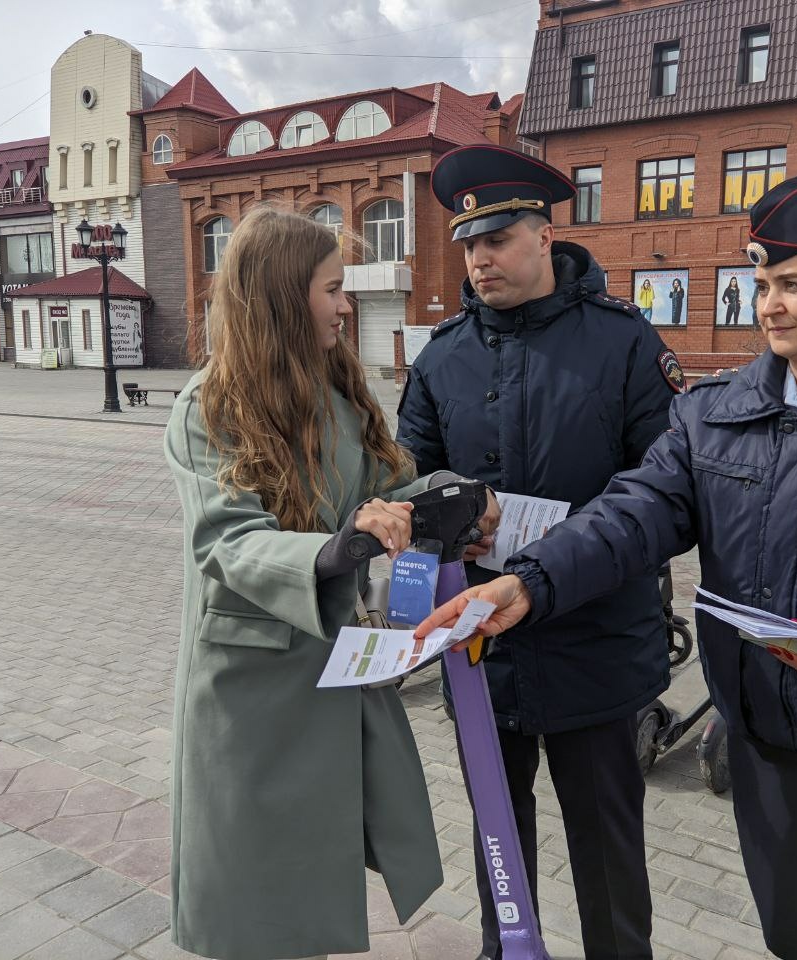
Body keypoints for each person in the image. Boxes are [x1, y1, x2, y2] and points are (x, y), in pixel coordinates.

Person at [418, 171, 797, 960]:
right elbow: (632, 514)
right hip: (755, 736)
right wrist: (533, 583)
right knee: (789, 931)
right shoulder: (715, 415)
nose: (769, 303)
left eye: (792, 284)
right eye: (761, 283)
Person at [397, 143, 684, 960]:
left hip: (598, 647)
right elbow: (407, 480)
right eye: (467, 245)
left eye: (497, 238)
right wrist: (438, 520)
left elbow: (667, 497)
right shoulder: (443, 355)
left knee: (607, 858)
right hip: (483, 653)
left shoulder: (624, 344)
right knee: (498, 850)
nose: (479, 259)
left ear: (546, 234)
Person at [164, 206, 456, 960]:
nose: (346, 304)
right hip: (248, 697)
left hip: (330, 681)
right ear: (283, 295)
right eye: (332, 287)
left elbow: (401, 485)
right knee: (251, 907)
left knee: (306, 898)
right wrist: (333, 551)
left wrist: (461, 498)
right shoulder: (207, 408)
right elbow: (227, 542)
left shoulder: (339, 401)